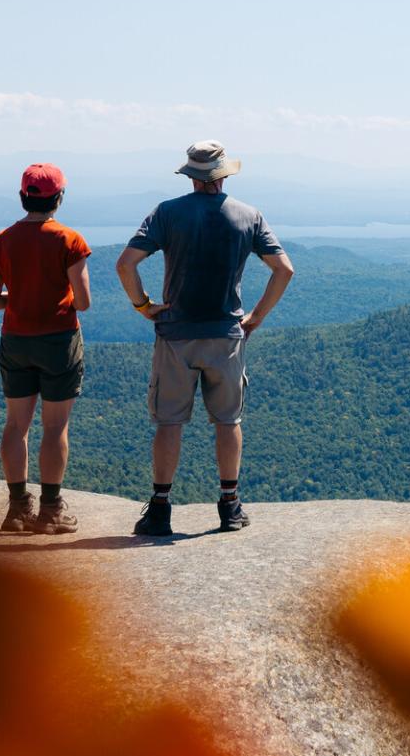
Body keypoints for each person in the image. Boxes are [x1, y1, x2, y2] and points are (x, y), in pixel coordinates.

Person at [116, 140, 294, 537]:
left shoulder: (167, 213)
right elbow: (284, 270)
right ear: (224, 174)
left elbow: (125, 264)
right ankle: (229, 506)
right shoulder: (249, 215)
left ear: (191, 176)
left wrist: (144, 306)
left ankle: (159, 509)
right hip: (227, 335)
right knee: (228, 420)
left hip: (176, 334)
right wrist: (256, 318)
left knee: (168, 422)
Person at [0, 163, 90, 535]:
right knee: (55, 426)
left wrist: (21, 296)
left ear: (22, 197)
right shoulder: (70, 241)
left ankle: (16, 510)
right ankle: (50, 511)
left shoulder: (3, 240)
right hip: (59, 341)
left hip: (16, 341)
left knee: (16, 425)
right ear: (59, 198)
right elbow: (84, 301)